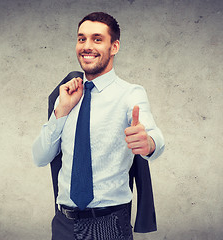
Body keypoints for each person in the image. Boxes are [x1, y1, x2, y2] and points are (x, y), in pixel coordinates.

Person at [32, 12, 165, 240]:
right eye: (81, 38)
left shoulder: (130, 94)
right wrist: (62, 111)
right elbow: (40, 157)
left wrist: (149, 143)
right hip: (63, 223)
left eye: (97, 39)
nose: (87, 46)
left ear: (114, 46)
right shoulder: (66, 95)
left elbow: (154, 137)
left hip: (109, 225)